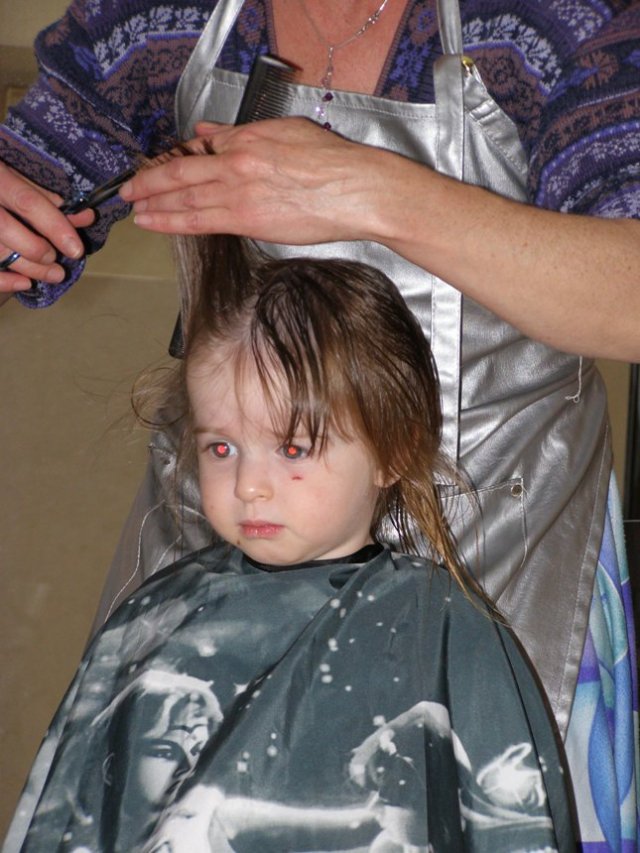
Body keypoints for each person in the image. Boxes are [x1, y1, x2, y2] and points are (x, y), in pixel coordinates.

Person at [0, 0, 638, 847]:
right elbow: (35, 179)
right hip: (217, 598)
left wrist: (372, 193)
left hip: (502, 570)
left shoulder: (552, 20)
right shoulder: (160, 16)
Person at [3, 250, 576, 851]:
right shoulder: (154, 620)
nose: (248, 485)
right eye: (222, 449)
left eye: (292, 449)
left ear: (394, 451)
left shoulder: (446, 630)